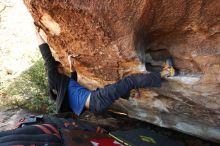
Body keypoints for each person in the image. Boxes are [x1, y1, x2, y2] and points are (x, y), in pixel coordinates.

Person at [36, 28, 176, 116]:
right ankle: (166, 73)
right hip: (96, 99)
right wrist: (36, 33)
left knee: (115, 87)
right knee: (130, 80)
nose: (63, 68)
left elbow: (73, 76)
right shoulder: (54, 79)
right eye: (61, 67)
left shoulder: (65, 85)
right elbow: (48, 58)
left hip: (96, 102)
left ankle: (132, 94)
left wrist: (70, 61)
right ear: (56, 69)